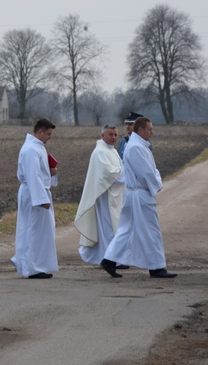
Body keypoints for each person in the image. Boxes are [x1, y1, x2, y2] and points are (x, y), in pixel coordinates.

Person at [100, 117, 177, 279]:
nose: (152, 131)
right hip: (140, 194)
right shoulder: (136, 147)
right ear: (140, 130)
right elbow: (147, 173)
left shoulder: (138, 145)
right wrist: (156, 184)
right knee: (151, 230)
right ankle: (156, 267)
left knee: (126, 229)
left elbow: (151, 169)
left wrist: (154, 177)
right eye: (149, 129)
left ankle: (109, 260)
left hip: (134, 194)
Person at [11, 118, 59, 279]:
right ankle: (31, 267)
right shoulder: (31, 149)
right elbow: (34, 175)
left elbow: (40, 172)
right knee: (32, 229)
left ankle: (30, 263)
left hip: (34, 192)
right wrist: (41, 199)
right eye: (48, 133)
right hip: (33, 194)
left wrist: (51, 173)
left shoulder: (37, 147)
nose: (49, 137)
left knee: (36, 230)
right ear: (39, 132)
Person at [75, 124, 125, 266]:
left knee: (115, 227)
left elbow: (118, 169)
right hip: (104, 197)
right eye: (111, 134)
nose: (114, 137)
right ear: (102, 135)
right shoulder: (99, 152)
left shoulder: (112, 151)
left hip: (114, 196)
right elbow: (107, 174)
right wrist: (128, 172)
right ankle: (109, 259)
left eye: (115, 134)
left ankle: (113, 258)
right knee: (108, 229)